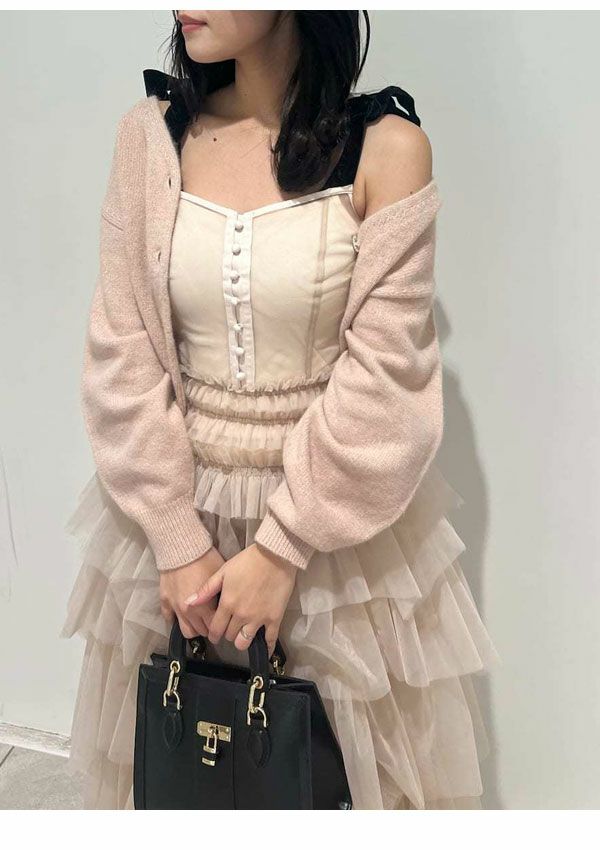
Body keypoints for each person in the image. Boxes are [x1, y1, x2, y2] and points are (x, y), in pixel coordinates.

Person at [61, 10, 500, 810]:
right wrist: (175, 538)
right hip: (171, 527)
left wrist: (281, 548)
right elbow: (122, 347)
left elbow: (388, 374)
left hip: (336, 539)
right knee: (179, 780)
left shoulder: (388, 148)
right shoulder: (150, 138)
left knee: (335, 787)